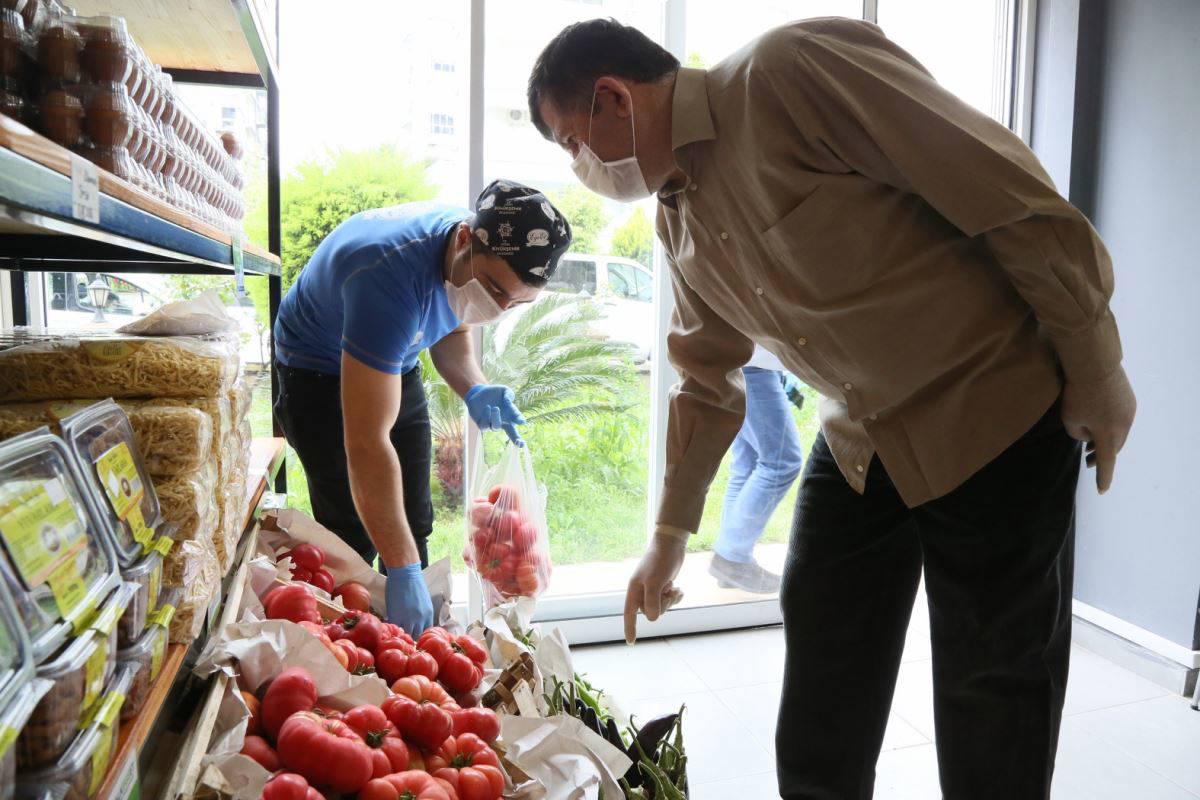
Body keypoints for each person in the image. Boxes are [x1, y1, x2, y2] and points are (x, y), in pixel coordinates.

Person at [527, 17, 1136, 800]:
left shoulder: (790, 75)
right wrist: (670, 537)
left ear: (614, 97)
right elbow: (705, 381)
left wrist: (1098, 369)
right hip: (861, 437)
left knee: (994, 689)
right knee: (822, 666)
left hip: (993, 410)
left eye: (570, 142)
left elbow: (1007, 194)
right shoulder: (678, 221)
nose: (579, 167)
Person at [273, 180, 571, 636]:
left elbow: (454, 321)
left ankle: (416, 644)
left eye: (515, 302)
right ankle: (355, 647)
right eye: (493, 289)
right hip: (316, 370)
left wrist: (474, 387)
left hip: (393, 352)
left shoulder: (472, 259)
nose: (497, 308)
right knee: (350, 532)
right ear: (463, 240)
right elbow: (367, 443)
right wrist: (402, 569)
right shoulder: (385, 277)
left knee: (415, 516)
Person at [711, 345, 803, 594]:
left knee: (747, 462)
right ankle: (732, 557)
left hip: (747, 363)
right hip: (752, 365)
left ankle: (730, 561)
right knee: (782, 461)